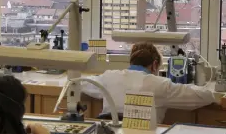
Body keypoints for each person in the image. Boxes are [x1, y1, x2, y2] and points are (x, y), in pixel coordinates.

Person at [82, 42, 217, 123]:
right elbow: (204, 95)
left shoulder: (108, 77)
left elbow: (81, 83)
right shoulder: (160, 85)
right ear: (154, 65)